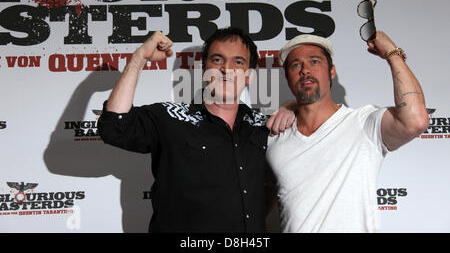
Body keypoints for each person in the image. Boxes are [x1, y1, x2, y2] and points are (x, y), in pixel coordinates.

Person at [98, 27, 293, 233]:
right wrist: (139, 57)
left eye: (238, 62)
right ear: (203, 69)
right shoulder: (170, 116)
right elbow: (114, 126)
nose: (226, 69)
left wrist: (294, 106)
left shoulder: (264, 126)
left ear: (249, 76)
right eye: (217, 60)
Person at [266, 31, 429, 233]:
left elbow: (415, 120)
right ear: (288, 77)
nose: (305, 70)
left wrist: (392, 53)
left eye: (314, 62)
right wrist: (289, 107)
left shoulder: (363, 123)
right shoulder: (275, 135)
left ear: (331, 71)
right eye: (296, 65)